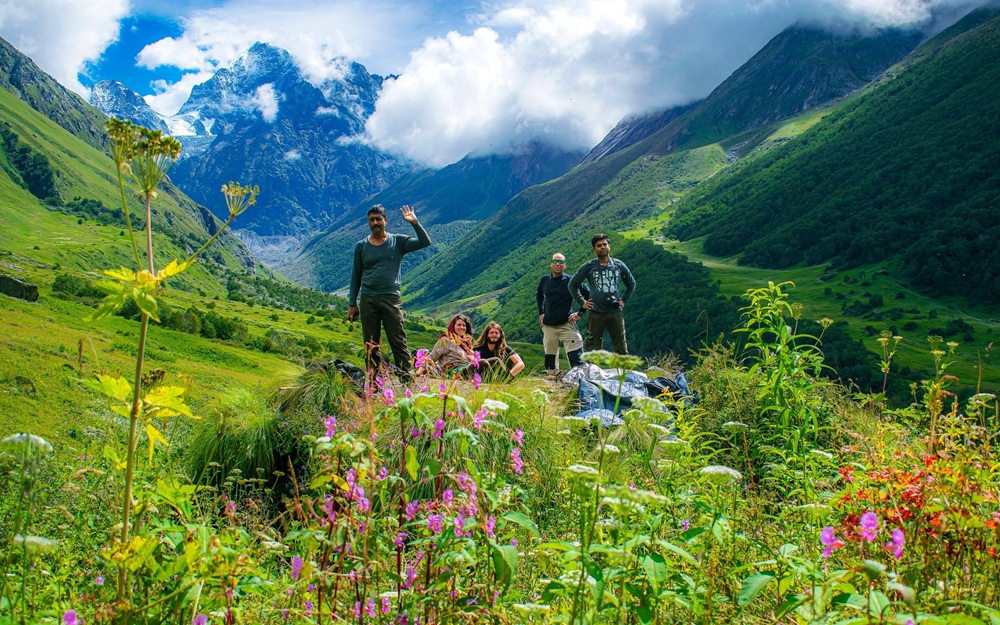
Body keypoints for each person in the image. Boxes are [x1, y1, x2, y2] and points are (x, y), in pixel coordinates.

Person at [347, 204, 431, 379]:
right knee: (371, 343)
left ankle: (406, 379)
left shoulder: (398, 242)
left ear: (386, 220)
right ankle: (375, 383)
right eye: (372, 220)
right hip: (368, 298)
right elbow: (356, 275)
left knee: (398, 339)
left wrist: (415, 223)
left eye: (379, 219)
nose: (375, 222)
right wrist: (352, 303)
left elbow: (425, 242)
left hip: (391, 298)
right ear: (368, 222)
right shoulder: (361, 246)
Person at [568, 233, 636, 354]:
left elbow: (631, 284)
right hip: (596, 313)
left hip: (615, 312)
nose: (603, 247)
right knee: (592, 348)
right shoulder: (589, 266)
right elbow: (572, 284)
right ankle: (592, 372)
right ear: (594, 250)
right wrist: (582, 302)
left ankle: (622, 372)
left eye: (605, 244)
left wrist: (624, 300)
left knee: (621, 346)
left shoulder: (619, 265)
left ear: (609, 246)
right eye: (599, 245)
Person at [536, 253, 588, 372]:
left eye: (560, 262)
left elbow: (588, 295)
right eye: (555, 262)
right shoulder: (544, 280)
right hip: (549, 326)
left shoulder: (571, 281)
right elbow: (539, 295)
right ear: (550, 264)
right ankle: (552, 383)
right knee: (550, 359)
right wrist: (541, 312)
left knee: (576, 356)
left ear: (565, 265)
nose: (557, 264)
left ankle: (578, 381)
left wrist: (580, 312)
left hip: (566, 324)